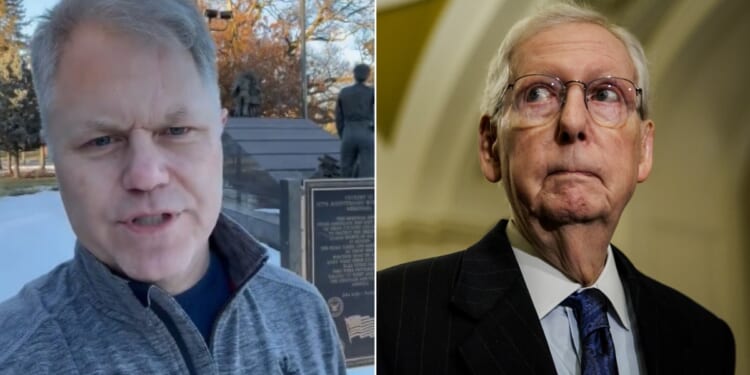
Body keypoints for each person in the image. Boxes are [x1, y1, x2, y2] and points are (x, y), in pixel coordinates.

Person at [377, 3, 735, 375]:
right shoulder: (389, 314)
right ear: (490, 147)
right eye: (538, 94)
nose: (574, 121)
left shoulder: (703, 338)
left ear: (643, 150)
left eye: (606, 94)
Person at [0, 0, 345, 373]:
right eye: (101, 140)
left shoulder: (302, 313)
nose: (146, 175)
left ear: (219, 131)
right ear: (56, 156)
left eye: (176, 131)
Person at [336, 64, 374, 178]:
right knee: (368, 168)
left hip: (348, 132)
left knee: (346, 167)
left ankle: (345, 193)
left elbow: (339, 117)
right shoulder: (371, 92)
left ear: (354, 75)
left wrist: (342, 134)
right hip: (366, 132)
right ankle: (367, 194)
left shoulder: (344, 92)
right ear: (367, 75)